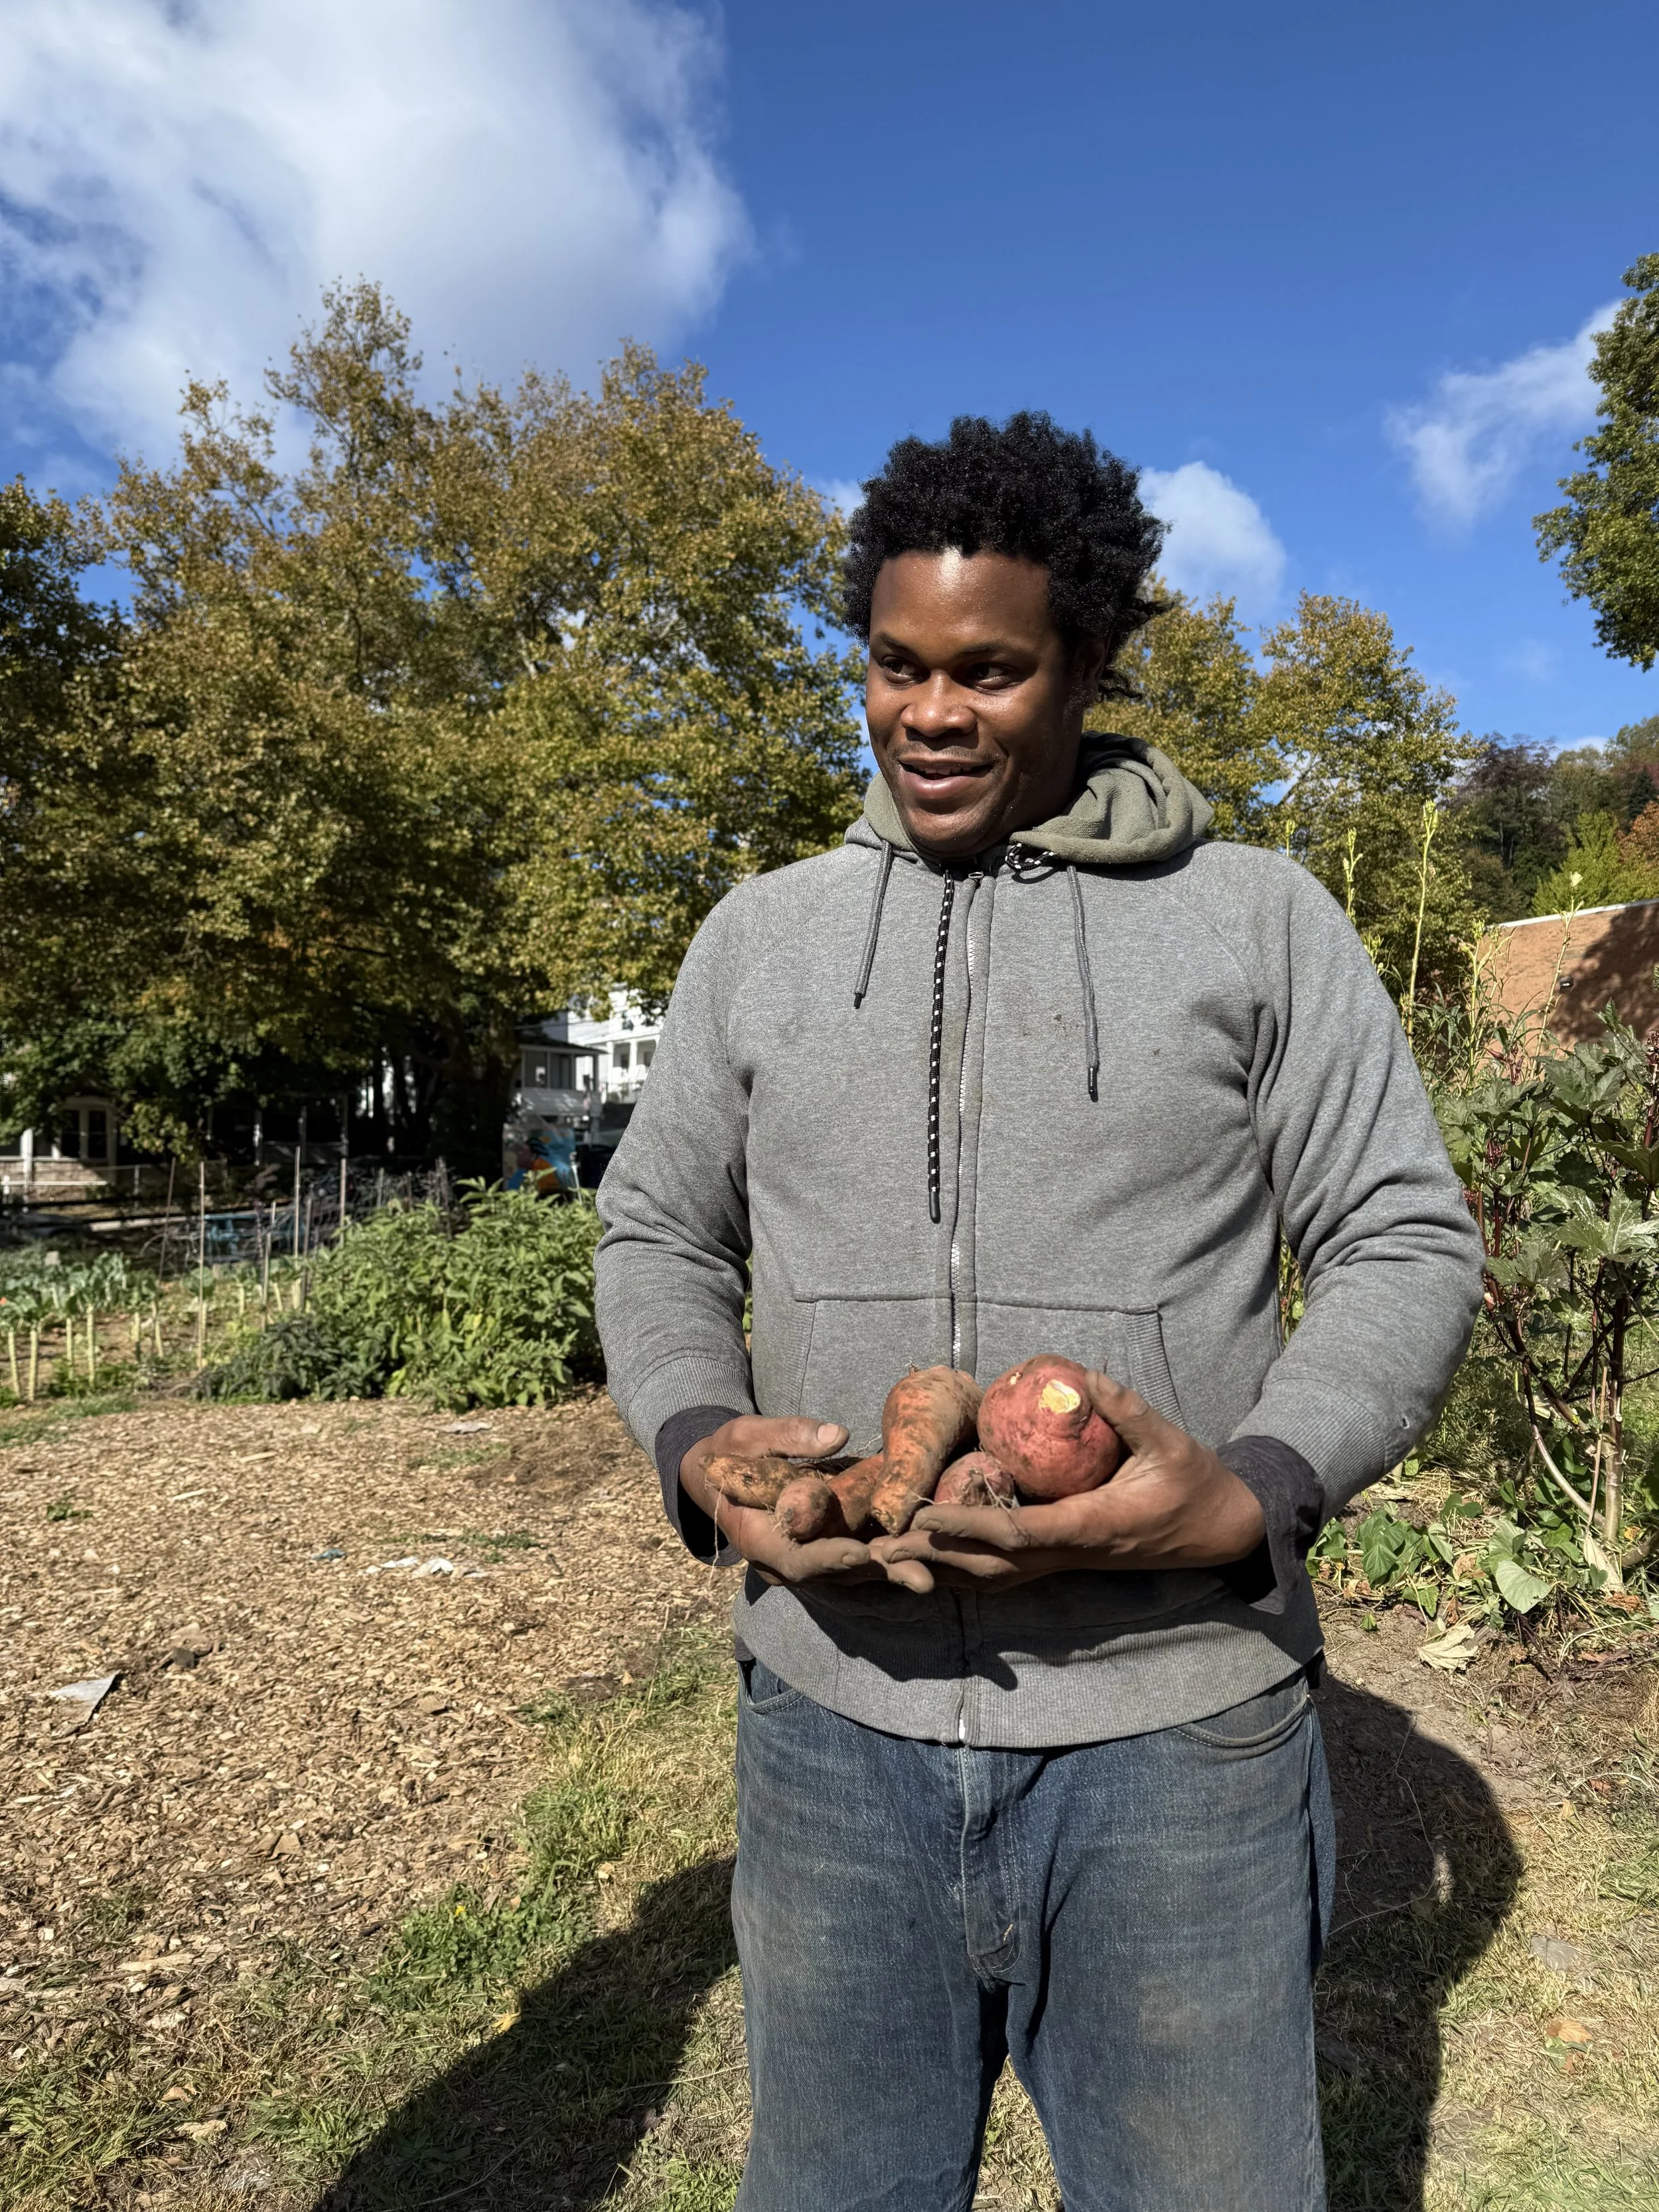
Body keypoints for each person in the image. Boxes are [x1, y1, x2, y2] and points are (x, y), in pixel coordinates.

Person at [594, 413, 1483, 2212]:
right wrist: (699, 1446)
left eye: (988, 670)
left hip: (1178, 1735)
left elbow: (1400, 1234)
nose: (932, 712)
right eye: (896, 665)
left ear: (1081, 661)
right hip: (828, 1728)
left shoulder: (1257, 923)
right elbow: (654, 1233)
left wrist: (1257, 1485)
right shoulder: (760, 939)